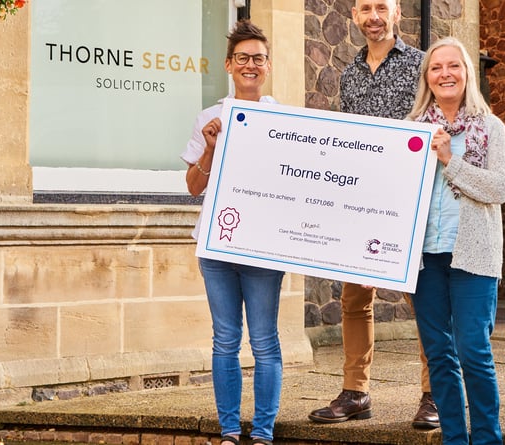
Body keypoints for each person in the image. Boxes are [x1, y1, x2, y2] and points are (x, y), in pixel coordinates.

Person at [308, 0, 439, 429]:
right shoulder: (348, 73)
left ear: (397, 13)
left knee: (423, 302)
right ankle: (355, 392)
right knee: (354, 299)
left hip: (407, 200)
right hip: (359, 202)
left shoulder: (422, 65)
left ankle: (433, 396)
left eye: (382, 7)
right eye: (366, 8)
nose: (374, 16)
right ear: (355, 17)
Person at [180, 20, 283, 445]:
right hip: (217, 246)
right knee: (225, 340)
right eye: (243, 58)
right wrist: (209, 148)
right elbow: (192, 188)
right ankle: (228, 431)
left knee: (264, 342)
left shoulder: (283, 117)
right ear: (228, 65)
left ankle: (261, 432)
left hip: (261, 248)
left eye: (258, 58)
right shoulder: (210, 118)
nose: (251, 65)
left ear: (268, 65)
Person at [407, 36, 505, 445]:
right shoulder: (414, 131)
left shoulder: (490, 127)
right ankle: (454, 438)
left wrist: (451, 161)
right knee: (439, 356)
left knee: (473, 352)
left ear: (467, 74)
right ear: (427, 78)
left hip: (474, 256)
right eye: (436, 68)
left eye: (453, 66)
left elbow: (499, 188)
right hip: (425, 259)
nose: (445, 73)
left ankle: (486, 438)